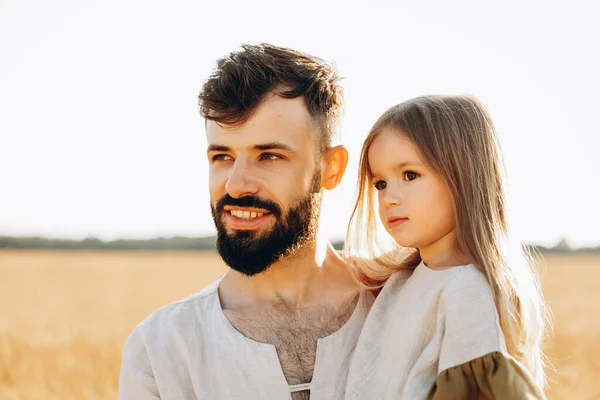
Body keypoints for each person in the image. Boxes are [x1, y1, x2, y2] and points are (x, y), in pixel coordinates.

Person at [118, 43, 374, 400]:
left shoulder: (403, 304)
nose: (236, 185)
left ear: (330, 169)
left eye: (268, 155)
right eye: (222, 156)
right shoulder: (162, 349)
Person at [343, 95, 550, 399]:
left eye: (409, 175)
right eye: (380, 183)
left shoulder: (467, 294)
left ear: (463, 176)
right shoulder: (403, 278)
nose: (389, 198)